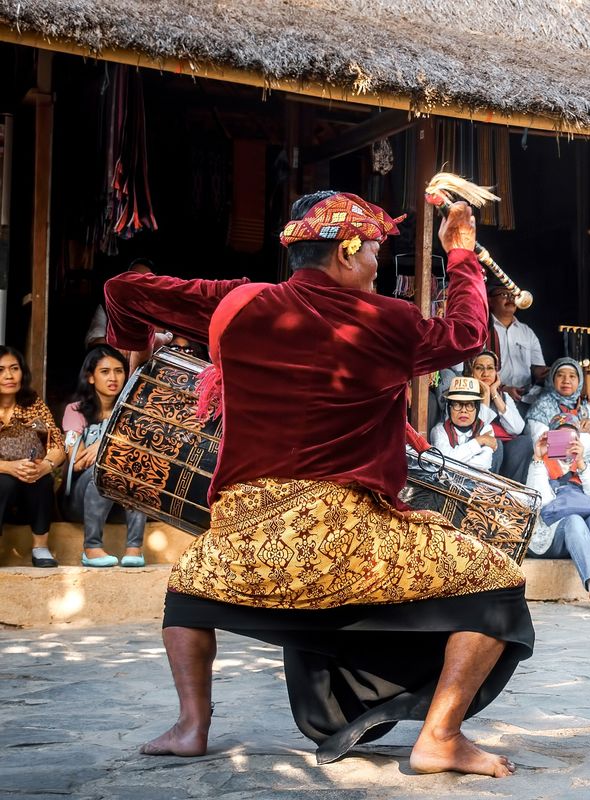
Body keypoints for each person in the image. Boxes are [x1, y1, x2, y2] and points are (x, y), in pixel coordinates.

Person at [104, 190, 533, 777]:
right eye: (376, 255)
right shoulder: (388, 321)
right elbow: (463, 333)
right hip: (348, 541)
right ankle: (440, 736)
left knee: (186, 589)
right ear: (345, 252)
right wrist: (460, 255)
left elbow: (123, 291)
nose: (379, 268)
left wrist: (138, 348)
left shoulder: (237, 305)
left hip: (242, 544)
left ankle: (190, 726)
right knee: (498, 583)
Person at [525, 416, 590, 612]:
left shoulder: (585, 465)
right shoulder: (540, 465)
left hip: (583, 533)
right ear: (551, 438)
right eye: (560, 436)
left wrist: (580, 463)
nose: (566, 442)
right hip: (552, 535)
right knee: (574, 519)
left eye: (571, 437)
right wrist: (539, 458)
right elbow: (541, 503)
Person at [61, 345, 147, 567]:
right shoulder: (76, 411)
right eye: (105, 371)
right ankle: (91, 548)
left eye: (119, 371)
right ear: (90, 377)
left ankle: (134, 548)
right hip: (79, 501)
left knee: (136, 467)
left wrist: (103, 444)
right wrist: (117, 449)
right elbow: (76, 460)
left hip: (121, 505)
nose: (113, 378)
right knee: (103, 469)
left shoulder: (132, 413)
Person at [0, 346, 67, 568]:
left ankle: (40, 547)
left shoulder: (33, 404)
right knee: (5, 482)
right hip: (3, 483)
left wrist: (45, 466)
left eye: (14, 368)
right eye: (0, 370)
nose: (8, 376)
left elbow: (58, 443)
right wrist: (9, 467)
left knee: (41, 480)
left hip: (31, 482)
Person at [526, 357, 590, 495]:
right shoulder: (541, 407)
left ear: (579, 381)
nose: (566, 380)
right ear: (552, 380)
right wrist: (578, 432)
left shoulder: (584, 409)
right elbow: (546, 445)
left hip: (583, 470)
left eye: (572, 376)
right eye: (560, 376)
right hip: (554, 477)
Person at [468, 349, 532, 481]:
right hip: (478, 445)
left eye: (490, 368)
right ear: (471, 371)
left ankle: (511, 492)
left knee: (524, 442)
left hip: (505, 445)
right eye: (479, 368)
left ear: (496, 373)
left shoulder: (504, 396)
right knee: (495, 443)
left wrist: (493, 392)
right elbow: (480, 429)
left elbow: (517, 428)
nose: (485, 373)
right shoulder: (464, 394)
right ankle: (488, 489)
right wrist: (484, 394)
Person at [488, 283, 547, 404]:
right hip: (493, 397)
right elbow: (474, 369)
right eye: (504, 294)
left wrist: (553, 372)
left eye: (513, 294)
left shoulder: (527, 332)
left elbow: (537, 368)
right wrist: (502, 388)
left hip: (524, 398)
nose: (510, 298)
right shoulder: (483, 330)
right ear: (490, 300)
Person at [430, 376, 501, 472]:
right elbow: (444, 462)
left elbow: (483, 464)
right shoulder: (439, 431)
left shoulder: (486, 429)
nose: (463, 410)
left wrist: (454, 457)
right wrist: (479, 441)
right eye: (457, 404)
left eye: (470, 405)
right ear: (449, 408)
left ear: (477, 408)